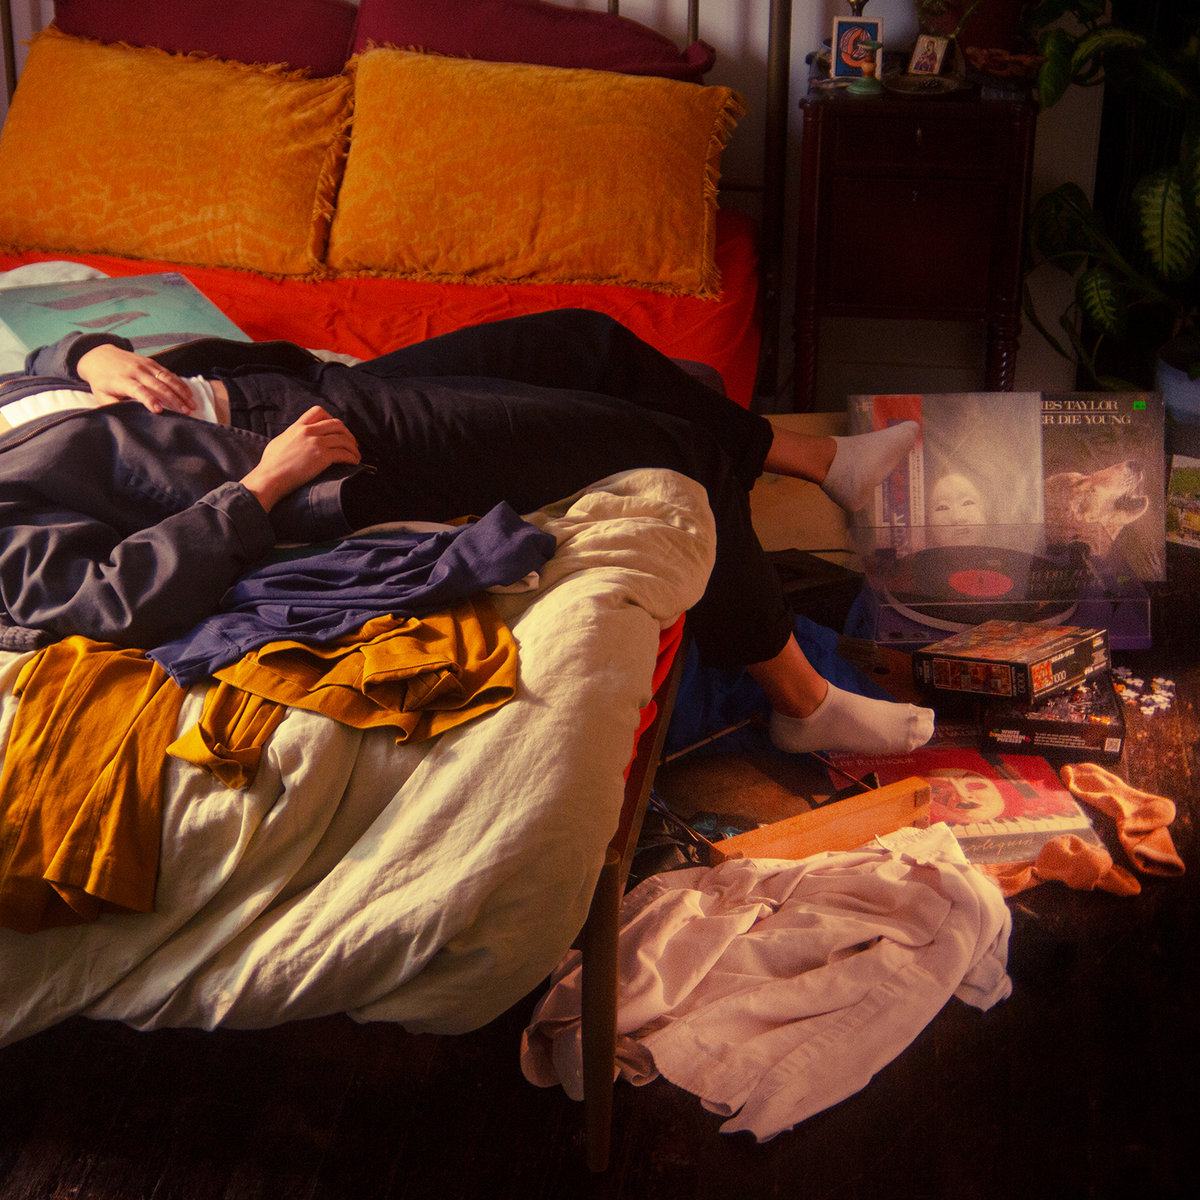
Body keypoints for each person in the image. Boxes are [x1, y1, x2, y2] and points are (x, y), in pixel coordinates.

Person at [0, 309, 933, 755]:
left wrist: (89, 353)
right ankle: (802, 701)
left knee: (585, 342)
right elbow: (103, 599)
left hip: (290, 383)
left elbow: (38, 364)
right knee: (671, 453)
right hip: (320, 452)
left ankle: (821, 463)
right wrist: (263, 485)